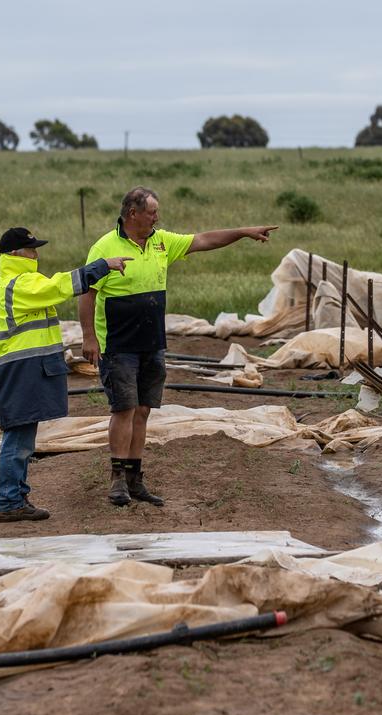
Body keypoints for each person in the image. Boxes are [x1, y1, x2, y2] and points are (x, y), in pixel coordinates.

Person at [80, 186, 276, 506]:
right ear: (132, 214)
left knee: (143, 410)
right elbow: (86, 292)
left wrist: (243, 232)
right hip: (118, 345)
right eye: (152, 212)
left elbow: (203, 240)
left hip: (152, 342)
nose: (158, 217)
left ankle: (135, 478)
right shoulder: (104, 247)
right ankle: (116, 479)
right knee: (123, 409)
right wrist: (89, 337)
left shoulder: (161, 241)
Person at [0, 227, 130, 522]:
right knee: (18, 438)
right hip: (18, 371)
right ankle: (9, 501)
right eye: (31, 249)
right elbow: (59, 286)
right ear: (15, 254)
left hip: (18, 370)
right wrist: (102, 266)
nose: (36, 253)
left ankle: (16, 497)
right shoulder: (19, 283)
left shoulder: (12, 284)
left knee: (22, 436)